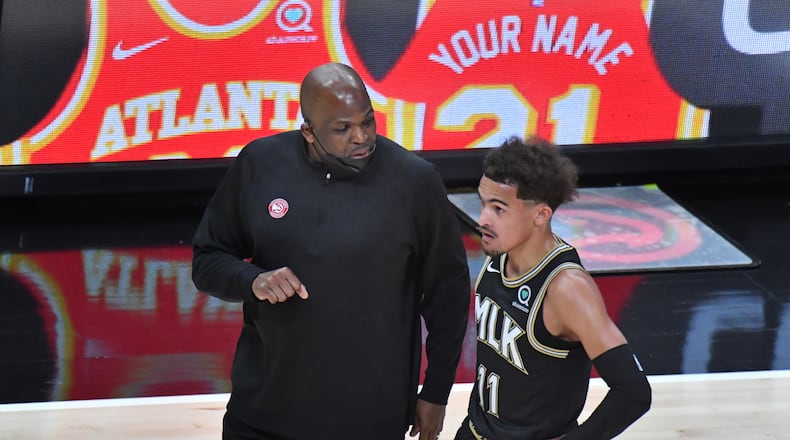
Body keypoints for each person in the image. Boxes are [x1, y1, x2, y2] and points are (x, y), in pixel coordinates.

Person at [191, 62, 471, 440]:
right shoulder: (260, 163)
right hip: (262, 414)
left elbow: (448, 295)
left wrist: (436, 393)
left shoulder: (414, 181)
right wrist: (253, 280)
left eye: (368, 121)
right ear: (308, 131)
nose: (362, 137)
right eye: (342, 128)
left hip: (368, 418)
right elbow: (208, 259)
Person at [454, 137, 651, 440]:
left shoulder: (566, 288)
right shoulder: (498, 255)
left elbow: (633, 392)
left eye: (499, 209)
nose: (483, 219)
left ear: (541, 215)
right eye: (483, 204)